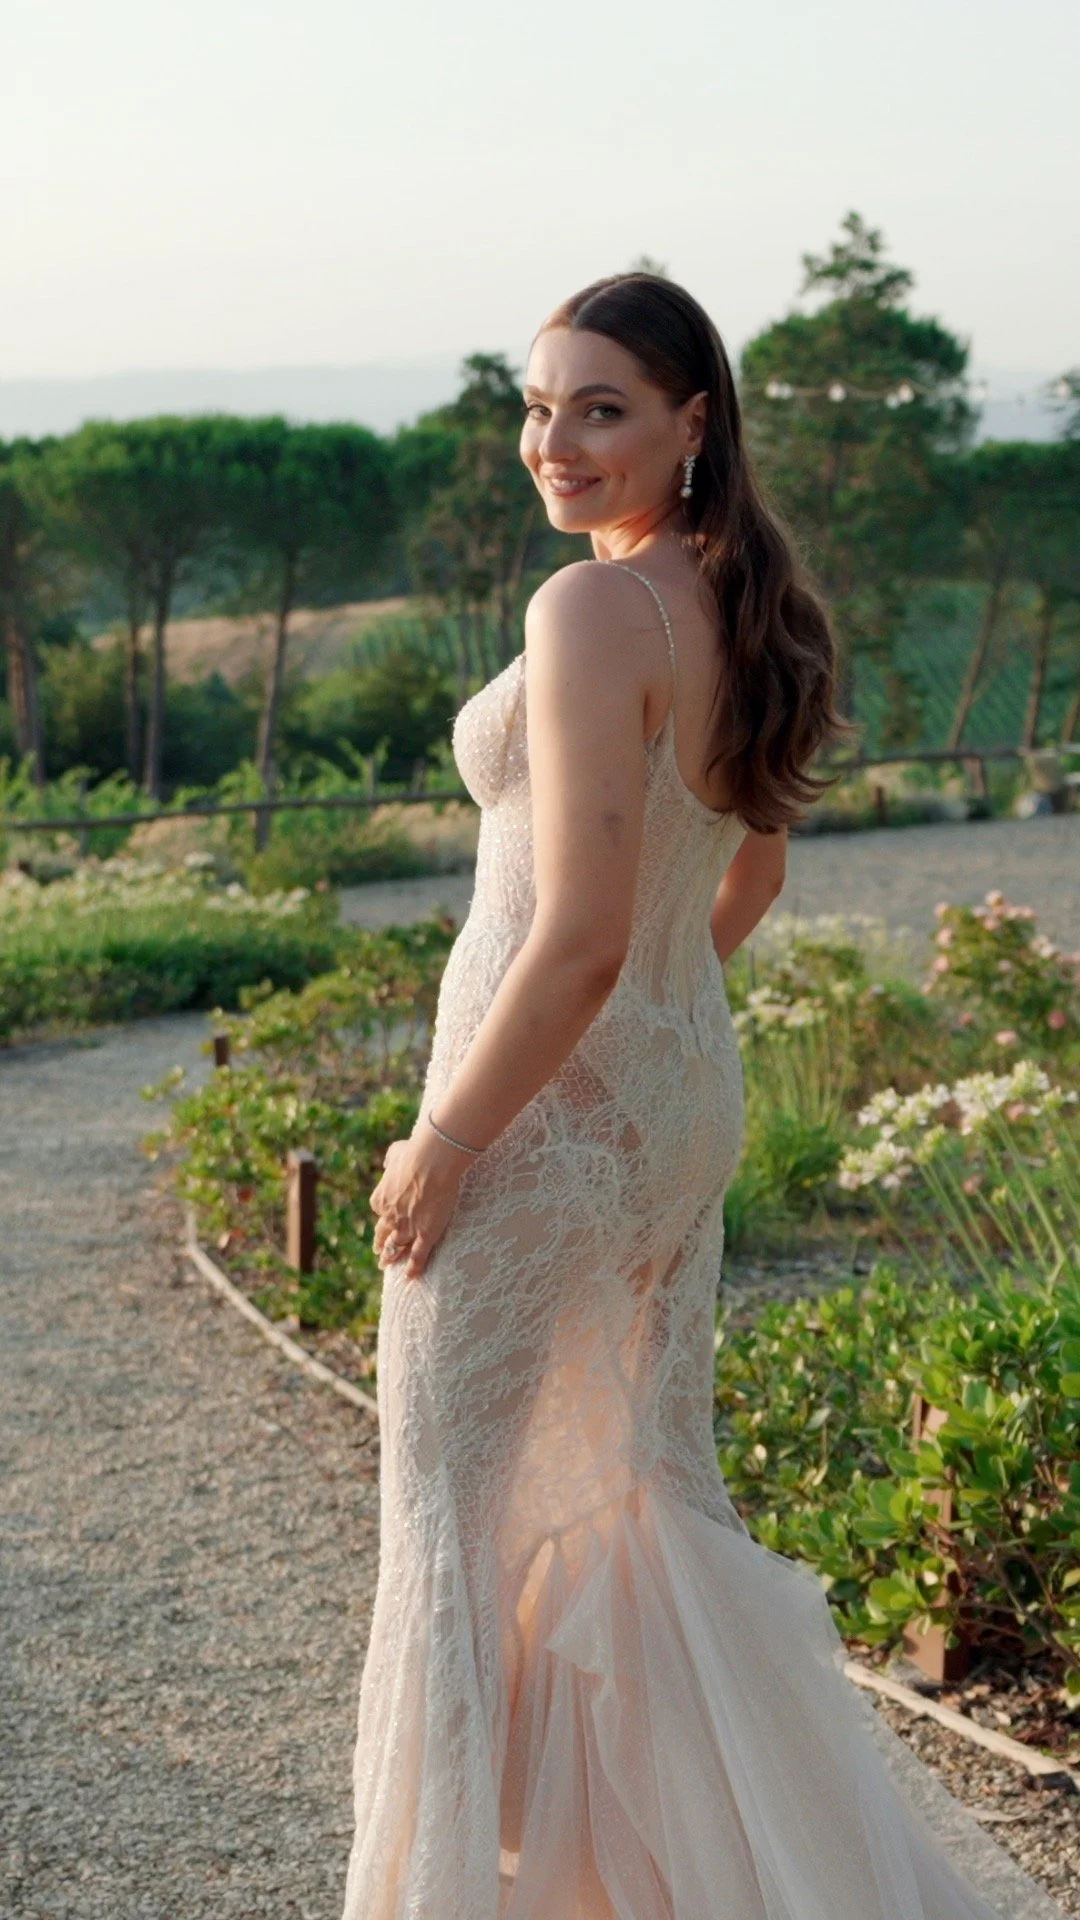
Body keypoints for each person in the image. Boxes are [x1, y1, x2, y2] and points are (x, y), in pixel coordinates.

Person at [342, 275, 1069, 1920]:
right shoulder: (733, 600)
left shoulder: (592, 615)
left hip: (544, 1114)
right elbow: (737, 887)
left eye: (601, 408)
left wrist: (447, 1136)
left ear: (693, 422)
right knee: (636, 1500)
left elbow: (581, 934)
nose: (555, 442)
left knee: (452, 1520)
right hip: (669, 1101)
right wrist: (664, 1022)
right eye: (539, 406)